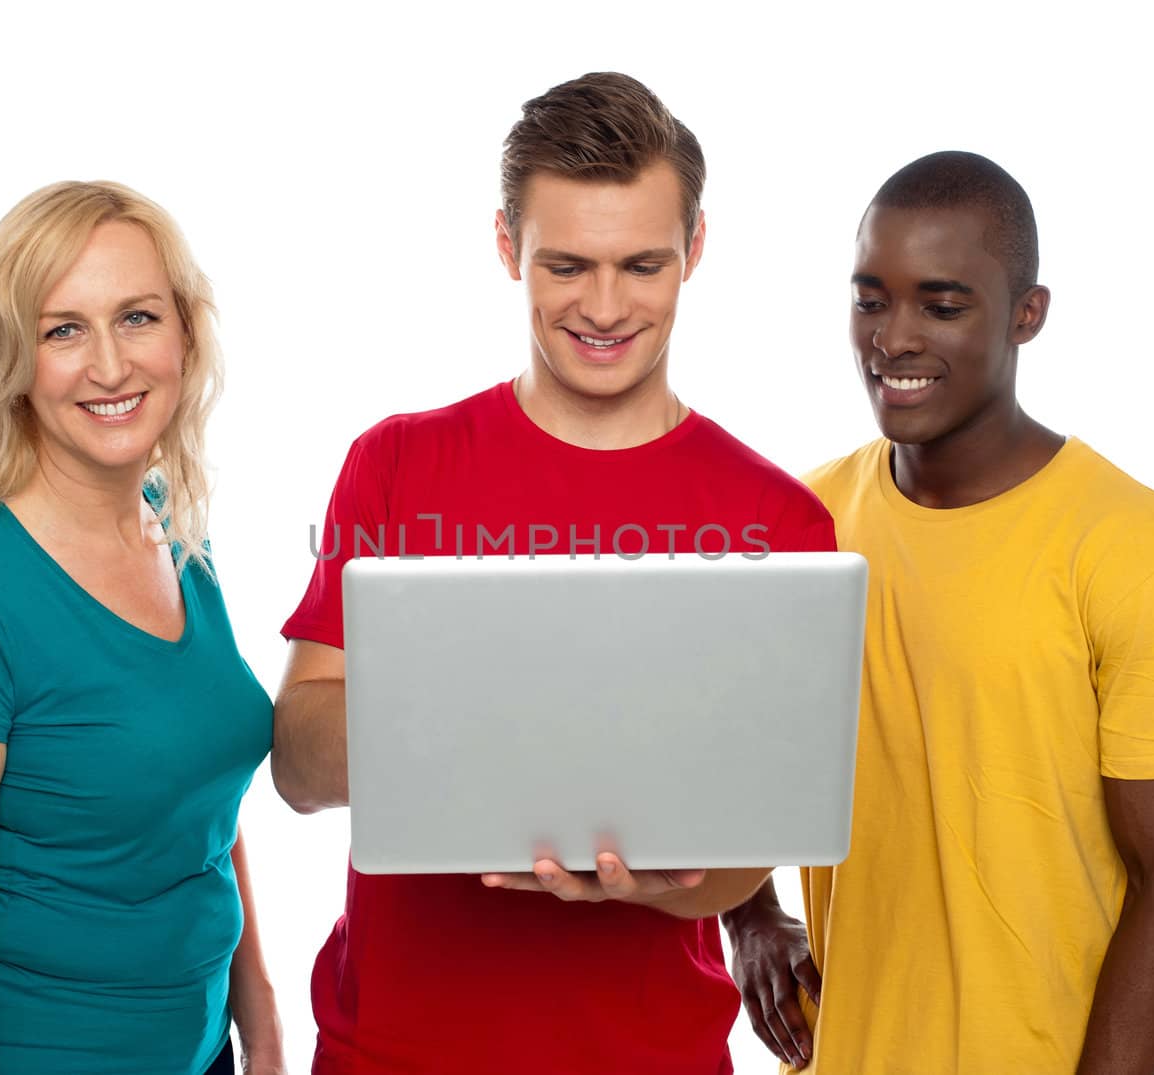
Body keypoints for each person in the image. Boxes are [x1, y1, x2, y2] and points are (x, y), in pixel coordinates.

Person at [273, 72, 836, 1074]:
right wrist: (484, 716)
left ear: (695, 250)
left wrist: (659, 881)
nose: (606, 308)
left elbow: (745, 861)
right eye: (567, 265)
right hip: (395, 1051)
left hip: (650, 1053)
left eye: (643, 265)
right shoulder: (395, 464)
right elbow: (299, 767)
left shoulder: (776, 520)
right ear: (506, 247)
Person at [722, 151, 1154, 1074]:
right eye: (871, 298)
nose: (894, 338)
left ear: (1027, 314)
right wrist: (752, 912)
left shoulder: (1132, 546)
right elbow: (706, 751)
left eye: (943, 304)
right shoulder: (799, 524)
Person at [0, 181, 283, 1075]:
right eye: (63, 329)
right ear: (12, 361)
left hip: (203, 1050)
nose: (109, 364)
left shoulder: (173, 531)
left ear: (184, 332)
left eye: (137, 317)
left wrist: (263, 1029)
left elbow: (197, 799)